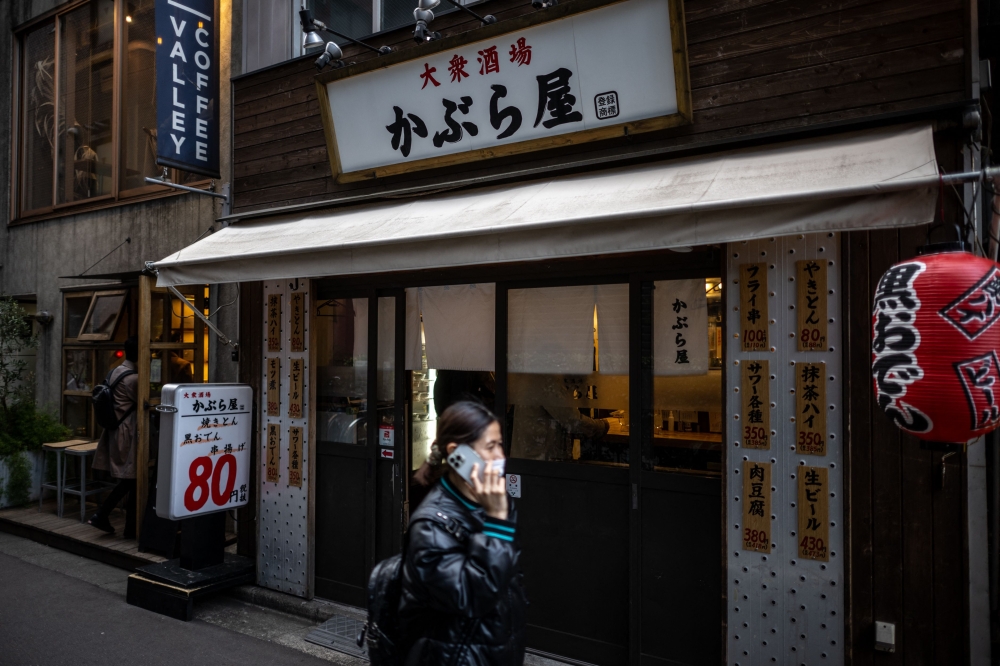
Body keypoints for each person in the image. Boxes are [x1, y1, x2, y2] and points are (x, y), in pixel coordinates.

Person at [400, 401, 526, 666]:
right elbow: (473, 598)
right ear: (458, 454)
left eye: (500, 444)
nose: (500, 456)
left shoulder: (492, 501)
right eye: (490, 447)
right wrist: (497, 522)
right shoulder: (431, 525)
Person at [88, 336, 139, 538]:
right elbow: (147, 400)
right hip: (127, 433)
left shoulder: (116, 371)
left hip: (114, 430)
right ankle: (105, 516)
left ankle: (125, 526)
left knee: (131, 479)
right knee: (131, 478)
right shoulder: (133, 379)